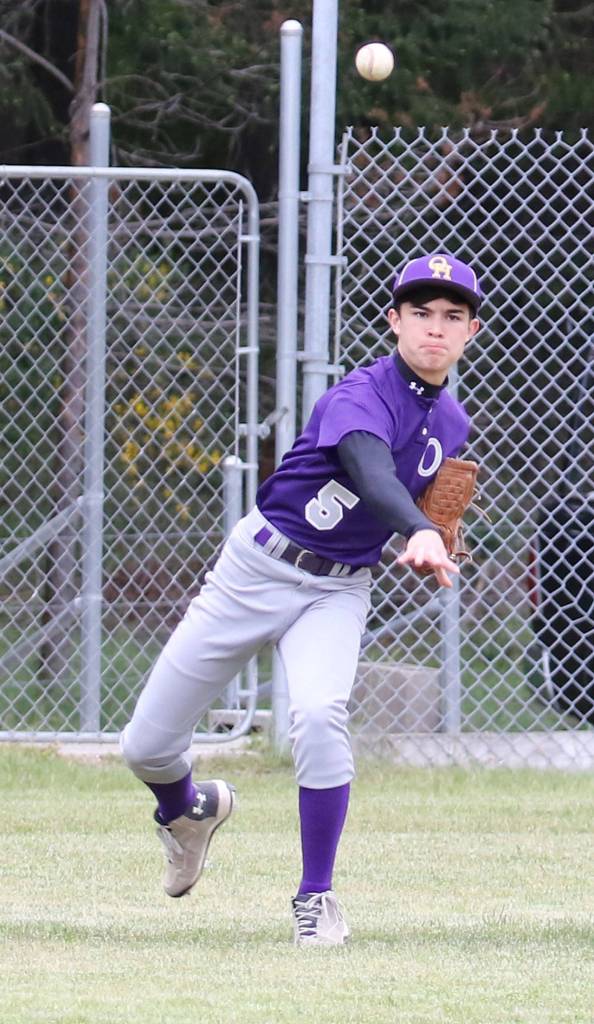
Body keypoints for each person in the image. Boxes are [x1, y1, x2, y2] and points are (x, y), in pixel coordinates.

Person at [120, 252, 482, 947]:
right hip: (255, 570)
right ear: (394, 320)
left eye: (452, 316)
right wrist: (416, 527)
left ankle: (316, 898)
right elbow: (372, 473)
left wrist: (425, 539)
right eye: (421, 313)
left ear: (470, 332)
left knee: (320, 716)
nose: (435, 328)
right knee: (147, 746)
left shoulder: (453, 424)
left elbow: (398, 505)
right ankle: (190, 809)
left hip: (337, 587)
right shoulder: (359, 394)